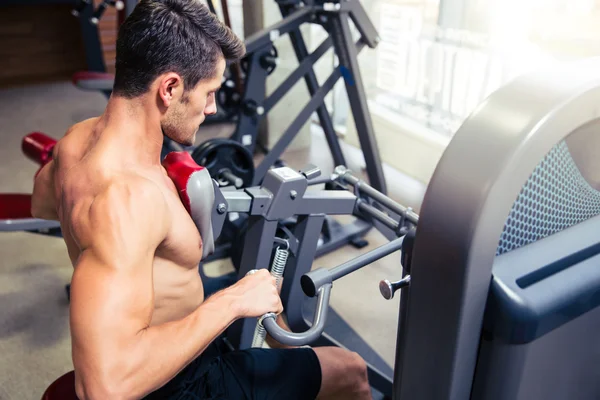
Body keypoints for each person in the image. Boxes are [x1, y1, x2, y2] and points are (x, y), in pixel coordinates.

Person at [30, 1, 371, 399]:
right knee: (351, 371)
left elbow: (42, 205)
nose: (212, 108)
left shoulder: (75, 141)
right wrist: (230, 302)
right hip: (179, 384)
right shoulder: (130, 199)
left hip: (164, 344)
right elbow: (104, 388)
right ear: (170, 87)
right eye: (209, 93)